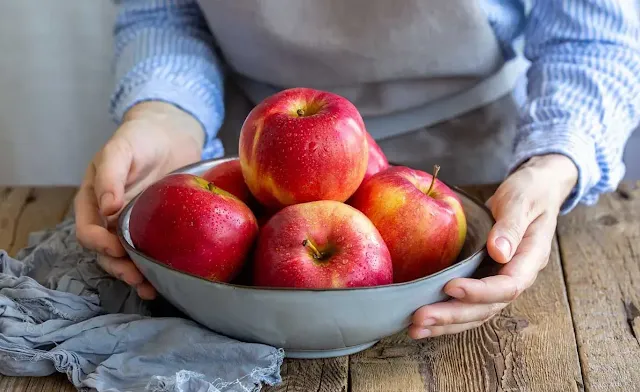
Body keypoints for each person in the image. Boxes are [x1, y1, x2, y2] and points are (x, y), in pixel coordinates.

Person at [75, 0, 640, 340]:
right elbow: (165, 10)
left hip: (477, 167)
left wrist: (551, 164)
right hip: (257, 171)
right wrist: (164, 115)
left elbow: (592, 35)